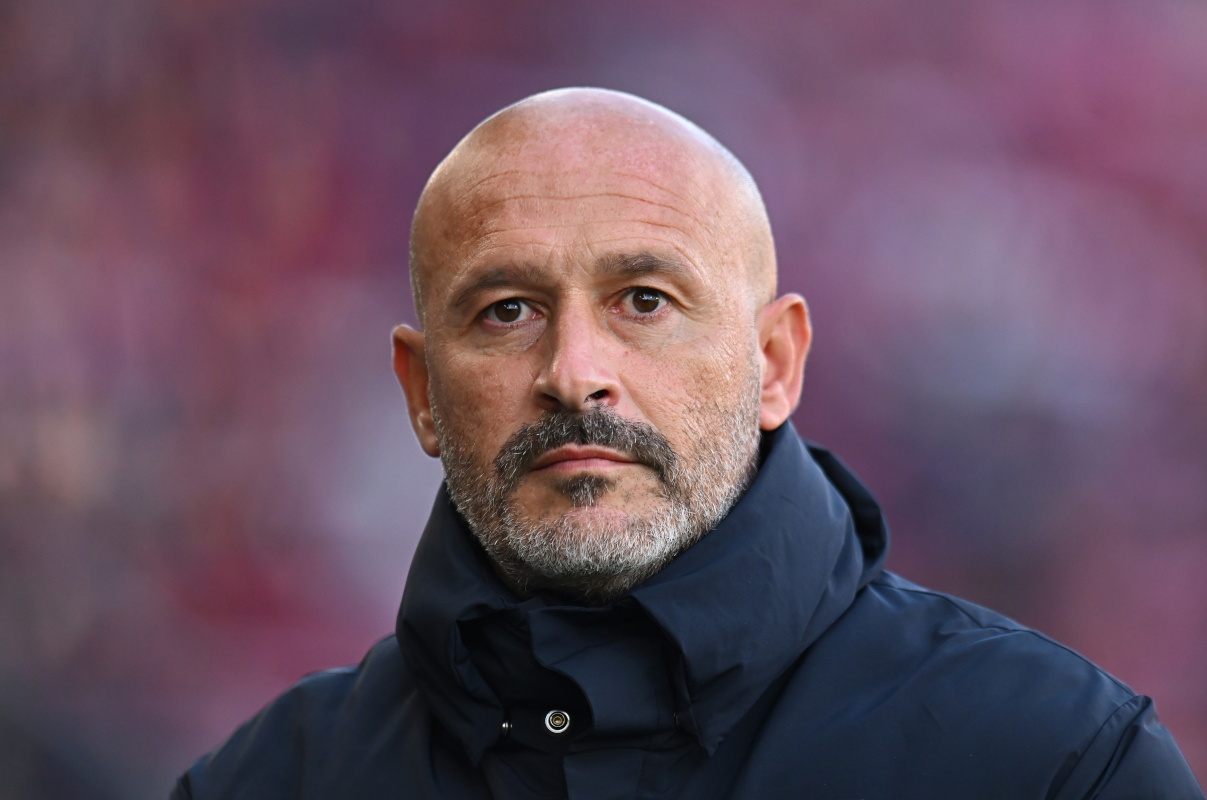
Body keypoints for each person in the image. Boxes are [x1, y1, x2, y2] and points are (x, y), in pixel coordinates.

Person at [171, 88, 1203, 800]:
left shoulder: (1052, 764)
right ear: (420, 391)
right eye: (505, 310)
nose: (575, 370)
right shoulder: (272, 779)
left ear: (774, 363)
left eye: (644, 300)